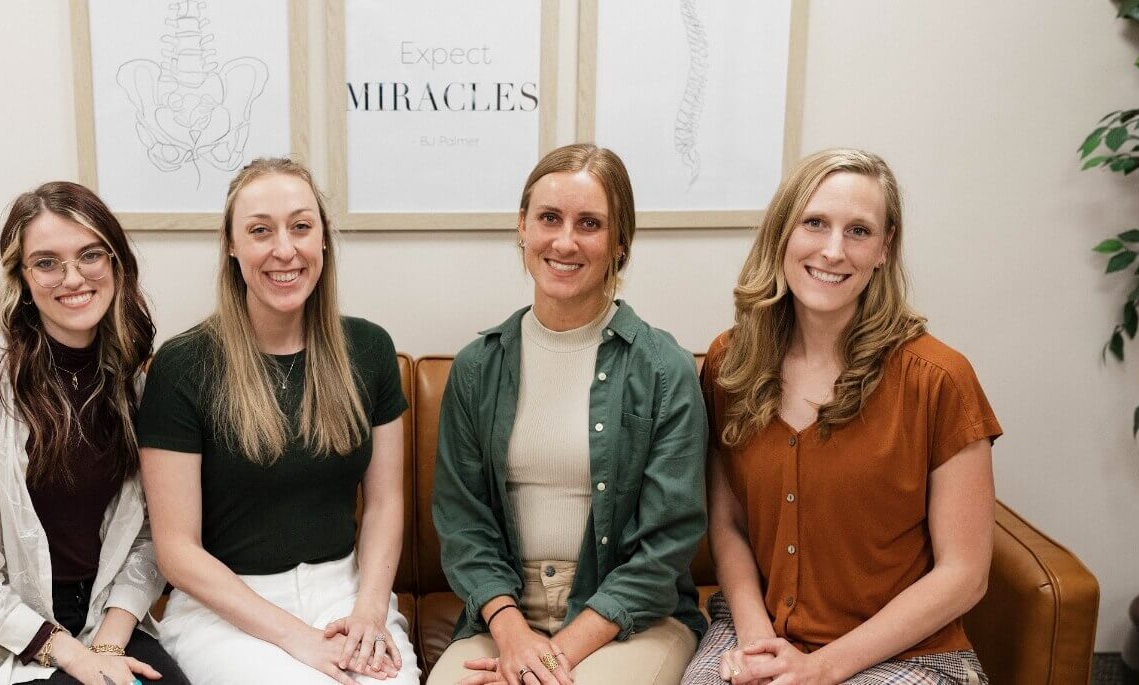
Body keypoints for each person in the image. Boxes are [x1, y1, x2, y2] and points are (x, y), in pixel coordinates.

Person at [681, 149, 999, 685]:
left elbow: (964, 575)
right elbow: (728, 522)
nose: (833, 250)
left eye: (858, 230)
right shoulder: (731, 363)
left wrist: (819, 669)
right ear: (783, 230)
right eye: (815, 223)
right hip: (755, 628)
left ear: (883, 248)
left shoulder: (939, 379)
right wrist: (758, 639)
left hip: (908, 655)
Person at [427, 143, 708, 685]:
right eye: (549, 218)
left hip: (629, 618)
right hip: (504, 613)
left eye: (590, 224)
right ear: (522, 228)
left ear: (619, 243)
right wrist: (513, 635)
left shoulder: (663, 369)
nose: (564, 241)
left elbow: (666, 546)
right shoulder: (476, 369)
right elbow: (463, 525)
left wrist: (556, 657)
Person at [136, 158, 420, 684]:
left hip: (346, 594)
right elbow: (176, 552)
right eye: (260, 230)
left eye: (301, 226)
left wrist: (369, 612)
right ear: (231, 244)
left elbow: (385, 503)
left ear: (323, 240)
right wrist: (298, 639)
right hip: (225, 609)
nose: (284, 250)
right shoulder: (183, 366)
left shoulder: (370, 349)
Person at [0, 182, 189, 685]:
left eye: (89, 255)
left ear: (116, 264)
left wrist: (107, 643)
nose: (72, 277)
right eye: (47, 262)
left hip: (102, 616)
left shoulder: (138, 384)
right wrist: (76, 658)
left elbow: (151, 534)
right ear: (21, 277)